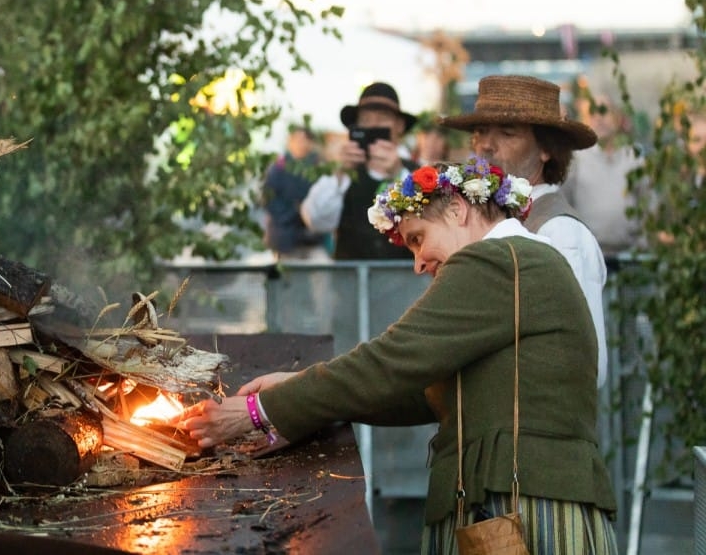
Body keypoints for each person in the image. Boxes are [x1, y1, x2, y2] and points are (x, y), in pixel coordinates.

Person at [179, 157, 618, 554]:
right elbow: (419, 392)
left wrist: (258, 413)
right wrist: (295, 396)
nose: (418, 263)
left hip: (526, 509)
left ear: (458, 210)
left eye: (418, 238)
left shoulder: (498, 259)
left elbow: (388, 363)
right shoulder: (517, 261)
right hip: (519, 503)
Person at [440, 75, 608, 387]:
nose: (486, 145)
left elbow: (589, 362)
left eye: (507, 133)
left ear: (546, 150)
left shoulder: (560, 232)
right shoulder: (488, 221)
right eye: (479, 132)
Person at [300, 81, 418, 260]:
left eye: (382, 118)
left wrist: (398, 174)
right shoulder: (343, 172)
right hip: (350, 284)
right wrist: (339, 174)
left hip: (407, 283)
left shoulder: (417, 172)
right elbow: (315, 220)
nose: (373, 126)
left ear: (399, 125)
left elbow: (431, 221)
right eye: (366, 120)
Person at [563, 89, 645, 258]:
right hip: (588, 256)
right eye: (592, 112)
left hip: (631, 258)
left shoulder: (634, 158)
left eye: (604, 112)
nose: (599, 118)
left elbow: (647, 205)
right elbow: (564, 205)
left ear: (616, 117)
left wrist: (643, 245)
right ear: (584, 120)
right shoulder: (574, 160)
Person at [260, 122, 329, 260]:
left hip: (314, 237)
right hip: (285, 237)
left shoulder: (319, 167)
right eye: (297, 139)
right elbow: (269, 198)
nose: (300, 144)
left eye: (304, 140)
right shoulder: (277, 168)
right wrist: (294, 212)